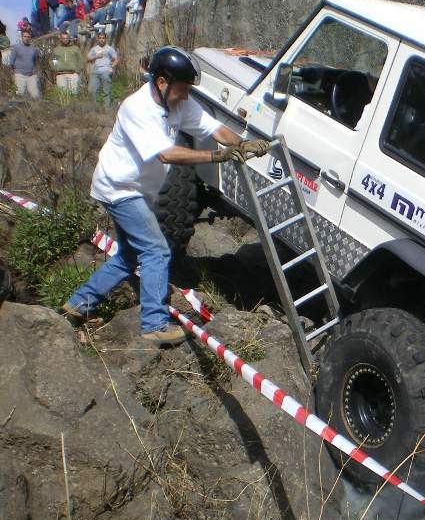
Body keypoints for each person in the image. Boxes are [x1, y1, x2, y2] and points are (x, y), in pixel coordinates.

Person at [62, 46, 270, 344]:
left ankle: (79, 303)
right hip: (119, 188)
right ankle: (153, 324)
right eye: (183, 89)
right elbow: (166, 155)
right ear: (162, 82)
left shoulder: (179, 102)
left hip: (140, 189)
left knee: (129, 256)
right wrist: (216, 157)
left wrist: (242, 144)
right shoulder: (137, 108)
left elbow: (212, 127)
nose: (186, 95)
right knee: (156, 250)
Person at [87, 32, 118, 108]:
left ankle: (107, 110)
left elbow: (116, 59)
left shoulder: (109, 48)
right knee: (91, 90)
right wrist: (96, 56)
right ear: (97, 39)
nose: (101, 40)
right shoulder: (94, 49)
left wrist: (111, 67)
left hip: (106, 71)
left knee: (106, 91)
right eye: (100, 38)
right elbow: (88, 58)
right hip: (95, 71)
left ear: (105, 39)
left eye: (103, 38)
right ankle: (95, 108)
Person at [8, 31, 40, 100]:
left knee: (35, 96)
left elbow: (35, 61)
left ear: (30, 38)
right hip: (20, 75)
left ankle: (34, 110)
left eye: (28, 37)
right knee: (20, 95)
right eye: (25, 36)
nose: (26, 38)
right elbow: (11, 62)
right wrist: (13, 74)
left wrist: (35, 71)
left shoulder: (33, 48)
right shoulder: (16, 47)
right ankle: (19, 110)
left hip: (31, 75)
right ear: (21, 37)